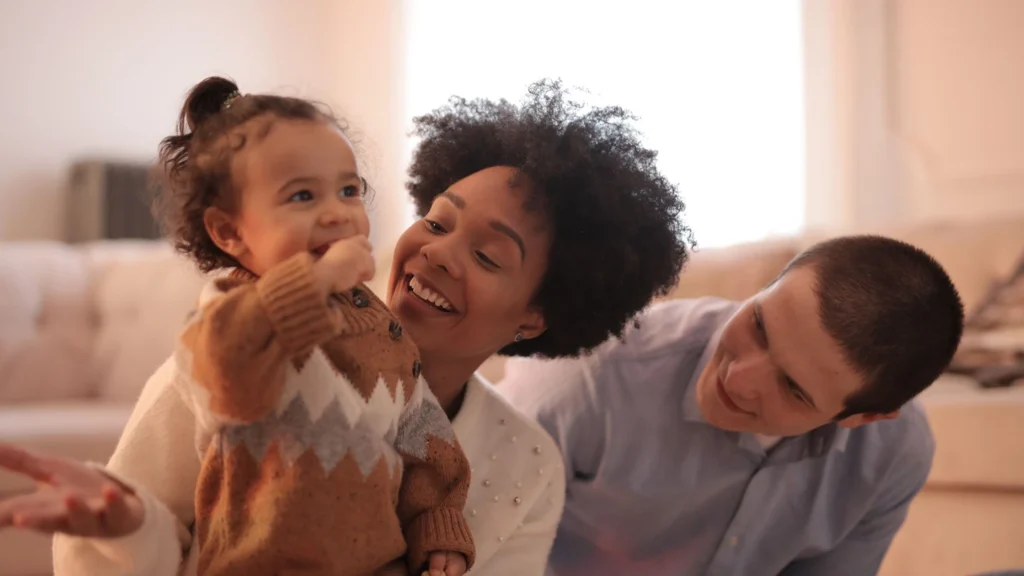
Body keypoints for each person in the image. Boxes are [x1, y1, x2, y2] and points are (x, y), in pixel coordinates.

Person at [0, 79, 694, 576]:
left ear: (537, 313)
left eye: (486, 255)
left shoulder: (527, 467)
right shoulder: (238, 351)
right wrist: (128, 529)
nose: (438, 253)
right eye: (438, 220)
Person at [501, 234, 965, 576]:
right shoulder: (588, 375)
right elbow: (466, 541)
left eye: (793, 388)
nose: (738, 379)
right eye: (760, 325)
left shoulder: (894, 453)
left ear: (862, 418)